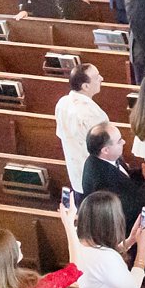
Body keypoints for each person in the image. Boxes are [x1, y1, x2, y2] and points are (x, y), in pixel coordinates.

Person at [81, 121, 145, 215]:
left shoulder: (107, 158)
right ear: (106, 150)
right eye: (119, 141)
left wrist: (142, 173)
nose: (123, 142)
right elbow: (130, 207)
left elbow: (124, 177)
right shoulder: (101, 180)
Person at [53, 64, 109, 192]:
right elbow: (105, 149)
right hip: (96, 179)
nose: (101, 78)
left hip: (76, 175)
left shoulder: (62, 103)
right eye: (96, 77)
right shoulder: (91, 113)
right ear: (85, 86)